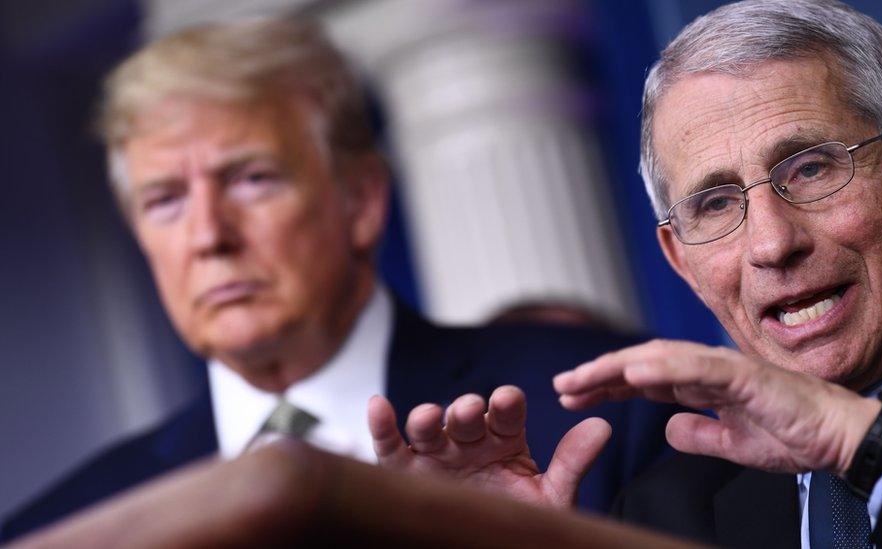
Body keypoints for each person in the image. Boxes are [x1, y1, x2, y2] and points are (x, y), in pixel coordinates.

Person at [0, 19, 675, 542]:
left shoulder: (601, 407)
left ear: (361, 200)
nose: (209, 236)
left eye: (251, 179)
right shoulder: (77, 525)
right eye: (165, 200)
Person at [367, 1, 882, 547]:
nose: (771, 242)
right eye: (715, 204)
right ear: (681, 261)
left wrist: (868, 446)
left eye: (812, 169)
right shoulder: (665, 513)